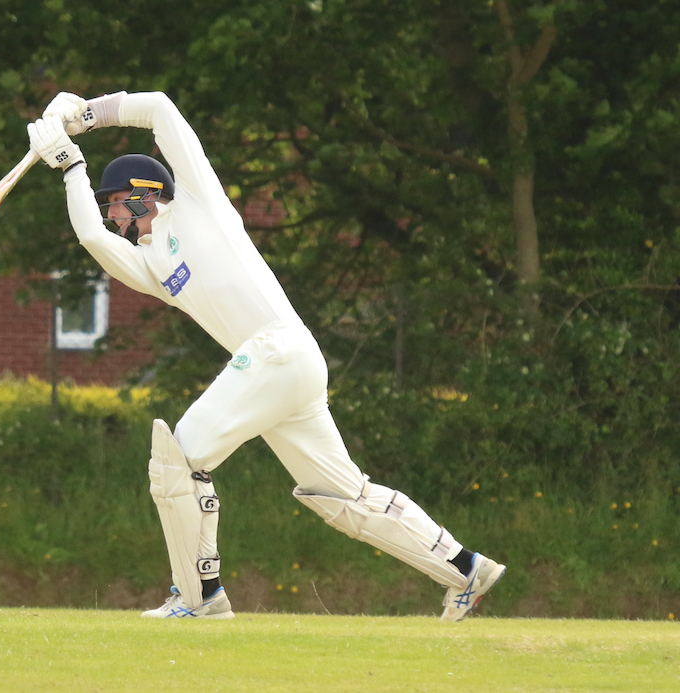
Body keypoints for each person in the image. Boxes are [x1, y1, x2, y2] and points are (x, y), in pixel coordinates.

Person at [27, 91, 505, 621]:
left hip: (278, 350)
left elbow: (160, 108)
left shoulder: (197, 201)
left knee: (178, 460)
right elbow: (91, 236)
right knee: (344, 499)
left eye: (115, 203)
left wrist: (87, 115)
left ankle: (199, 597)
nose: (113, 217)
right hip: (282, 367)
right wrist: (70, 165)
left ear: (142, 194)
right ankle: (466, 569)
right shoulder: (153, 265)